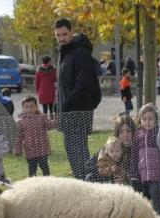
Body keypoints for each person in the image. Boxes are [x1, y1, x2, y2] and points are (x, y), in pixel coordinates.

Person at [54, 17, 99, 180]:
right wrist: (57, 107)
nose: (61, 38)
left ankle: (86, 183)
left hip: (78, 111)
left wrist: (65, 104)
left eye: (64, 34)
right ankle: (82, 182)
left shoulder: (81, 52)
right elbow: (60, 84)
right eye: (58, 35)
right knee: (71, 150)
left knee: (78, 151)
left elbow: (84, 83)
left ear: (71, 31)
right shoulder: (63, 53)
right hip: (67, 111)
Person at [135, 103, 160, 216]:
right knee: (147, 194)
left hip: (157, 173)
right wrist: (135, 173)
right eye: (144, 119)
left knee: (156, 194)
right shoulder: (138, 134)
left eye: (150, 119)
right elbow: (134, 155)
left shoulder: (159, 133)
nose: (147, 122)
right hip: (143, 173)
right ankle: (155, 214)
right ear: (140, 120)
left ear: (156, 120)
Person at [14, 95, 56, 177]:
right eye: (27, 107)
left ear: (36, 107)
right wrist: (17, 149)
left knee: (44, 167)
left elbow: (50, 125)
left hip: (42, 149)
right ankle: (32, 184)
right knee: (32, 169)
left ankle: (47, 183)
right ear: (23, 108)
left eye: (32, 106)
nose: (29, 109)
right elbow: (19, 137)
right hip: (30, 150)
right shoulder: (21, 121)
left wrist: (56, 119)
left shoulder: (42, 117)